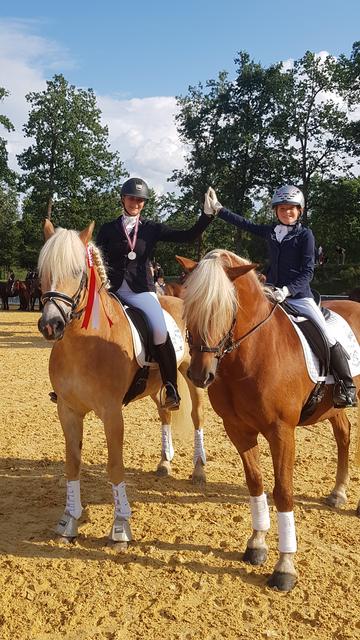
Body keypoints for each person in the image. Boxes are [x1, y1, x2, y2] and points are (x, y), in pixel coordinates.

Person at [203, 184, 357, 408]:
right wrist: (219, 209)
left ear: (300, 211)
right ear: (276, 211)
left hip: (299, 296)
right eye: (283, 209)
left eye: (292, 209)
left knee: (326, 334)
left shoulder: (306, 235)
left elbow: (307, 271)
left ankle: (346, 385)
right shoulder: (272, 232)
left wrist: (287, 290)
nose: (287, 212)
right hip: (272, 293)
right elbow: (246, 224)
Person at [96, 177, 212, 410]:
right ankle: (69, 383)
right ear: (123, 199)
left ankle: (170, 387)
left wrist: (206, 216)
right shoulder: (108, 229)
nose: (136, 203)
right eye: (132, 198)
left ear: (144, 204)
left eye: (140, 200)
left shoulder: (151, 229)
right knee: (85, 321)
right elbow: (98, 257)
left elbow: (187, 236)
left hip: (140, 291)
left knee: (160, 330)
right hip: (112, 291)